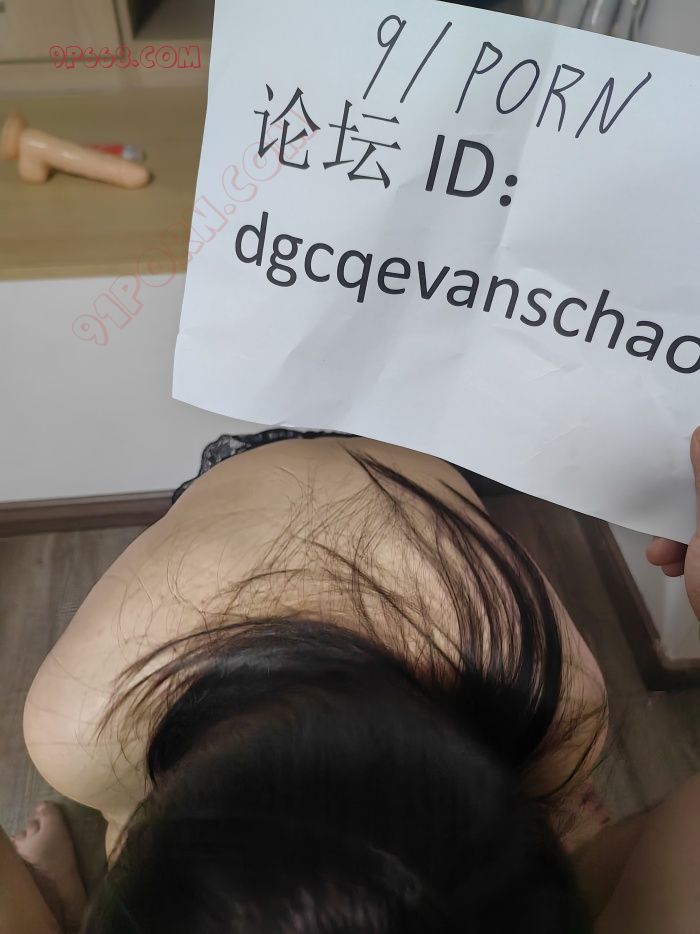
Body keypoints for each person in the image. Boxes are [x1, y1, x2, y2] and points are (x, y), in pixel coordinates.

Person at [1, 429, 698, 934]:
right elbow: (136, 824)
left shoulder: (82, 729)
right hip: (315, 481)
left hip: (400, 487)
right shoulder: (86, 722)